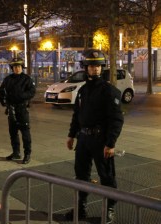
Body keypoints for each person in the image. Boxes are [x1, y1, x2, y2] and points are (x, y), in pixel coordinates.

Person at [65, 49, 124, 224]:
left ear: (102, 68)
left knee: (106, 175)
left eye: (98, 66)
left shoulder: (109, 91)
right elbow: (77, 115)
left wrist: (110, 143)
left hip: (101, 140)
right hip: (83, 139)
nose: (95, 69)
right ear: (86, 68)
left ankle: (110, 208)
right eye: (92, 66)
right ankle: (81, 206)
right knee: (81, 174)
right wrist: (71, 135)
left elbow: (116, 119)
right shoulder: (83, 90)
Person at [0, 57, 36, 164]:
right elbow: (0, 91)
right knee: (13, 133)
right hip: (11, 109)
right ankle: (16, 152)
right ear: (12, 68)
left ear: (22, 67)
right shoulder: (8, 79)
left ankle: (27, 154)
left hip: (22, 109)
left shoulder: (27, 79)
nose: (17, 69)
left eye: (19, 66)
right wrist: (4, 102)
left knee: (25, 133)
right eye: (14, 67)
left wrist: (21, 96)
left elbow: (32, 92)